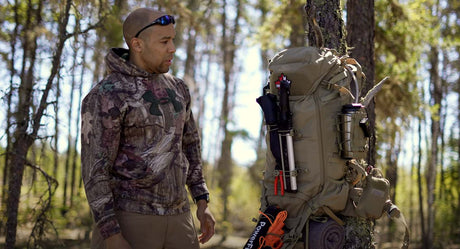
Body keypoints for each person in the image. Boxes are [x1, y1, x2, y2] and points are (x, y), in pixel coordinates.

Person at [80, 7, 215, 249]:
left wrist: (202, 202)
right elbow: (95, 170)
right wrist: (111, 235)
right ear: (137, 45)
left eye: (173, 39)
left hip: (180, 220)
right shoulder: (107, 94)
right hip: (130, 222)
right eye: (164, 41)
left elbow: (190, 146)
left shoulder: (179, 89)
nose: (172, 48)